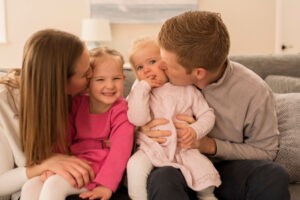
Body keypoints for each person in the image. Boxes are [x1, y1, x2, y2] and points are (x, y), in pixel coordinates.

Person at [141, 11, 290, 200]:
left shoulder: (255, 92)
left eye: (168, 65)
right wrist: (141, 128)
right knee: (163, 178)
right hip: (174, 165)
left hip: (225, 170)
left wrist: (210, 145)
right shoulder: (158, 81)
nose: (159, 67)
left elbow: (266, 151)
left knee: (273, 176)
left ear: (198, 73)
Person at [20, 47, 134, 200]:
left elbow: (120, 150)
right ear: (88, 82)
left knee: (55, 184)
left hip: (99, 169)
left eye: (116, 78)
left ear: (124, 78)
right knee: (31, 185)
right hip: (74, 162)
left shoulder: (122, 111)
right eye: (100, 79)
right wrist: (53, 166)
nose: (110, 86)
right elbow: (64, 137)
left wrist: (106, 185)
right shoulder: (77, 103)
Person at [0, 29, 96, 200]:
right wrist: (41, 166)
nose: (92, 76)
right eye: (85, 74)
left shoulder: (79, 97)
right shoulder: (4, 105)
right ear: (60, 83)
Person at [126, 37, 220, 200]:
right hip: (151, 148)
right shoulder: (139, 93)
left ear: (166, 63)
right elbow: (138, 119)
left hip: (182, 146)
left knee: (204, 178)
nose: (146, 70)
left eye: (152, 61)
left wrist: (195, 130)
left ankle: (207, 196)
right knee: (134, 166)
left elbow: (207, 114)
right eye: (140, 67)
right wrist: (143, 88)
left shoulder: (186, 89)